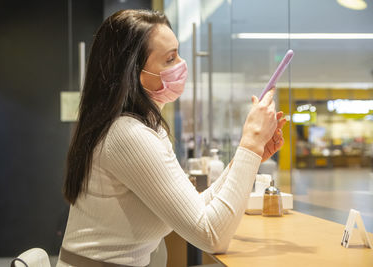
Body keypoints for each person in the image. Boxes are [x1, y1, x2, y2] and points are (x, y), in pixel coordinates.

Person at [57, 9, 286, 267]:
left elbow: (193, 208)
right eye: (170, 59)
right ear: (134, 73)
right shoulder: (127, 135)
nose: (181, 66)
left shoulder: (148, 127)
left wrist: (248, 160)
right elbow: (212, 236)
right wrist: (251, 144)